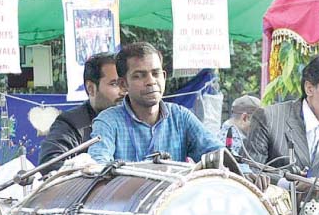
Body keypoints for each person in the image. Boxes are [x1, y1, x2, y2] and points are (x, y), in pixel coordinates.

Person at [88, 42, 222, 163]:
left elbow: (218, 153)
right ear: (123, 85)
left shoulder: (180, 117)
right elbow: (98, 164)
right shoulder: (108, 121)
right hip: (128, 191)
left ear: (163, 77)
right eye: (139, 76)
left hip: (174, 190)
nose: (151, 81)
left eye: (155, 73)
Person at [246, 55, 319, 185]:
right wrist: (288, 184)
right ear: (309, 88)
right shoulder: (269, 118)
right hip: (275, 203)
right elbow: (249, 173)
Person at [38, 52, 125, 173]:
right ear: (91, 88)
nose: (123, 92)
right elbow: (50, 164)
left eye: (124, 83)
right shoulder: (71, 123)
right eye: (115, 84)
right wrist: (83, 167)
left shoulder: (139, 117)